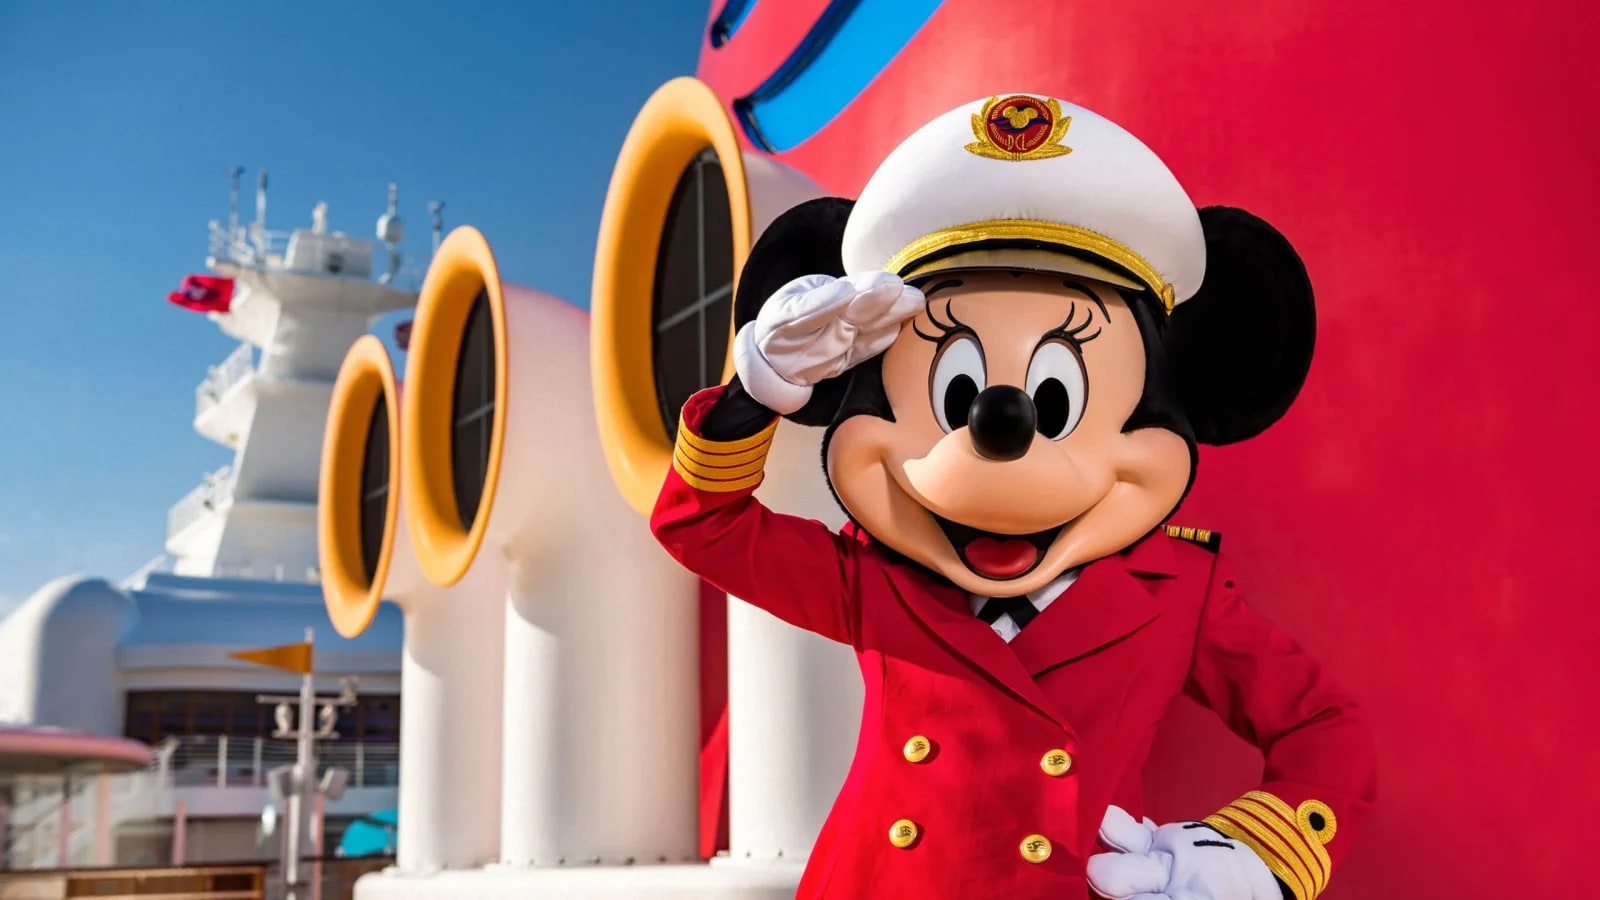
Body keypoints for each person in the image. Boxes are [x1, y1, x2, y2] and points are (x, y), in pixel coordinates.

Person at [652, 92, 1376, 900]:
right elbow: (701, 527)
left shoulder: (1180, 593)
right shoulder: (875, 573)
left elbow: (1323, 728)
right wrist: (758, 394)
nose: (1003, 428)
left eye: (1055, 397)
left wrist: (1257, 850)